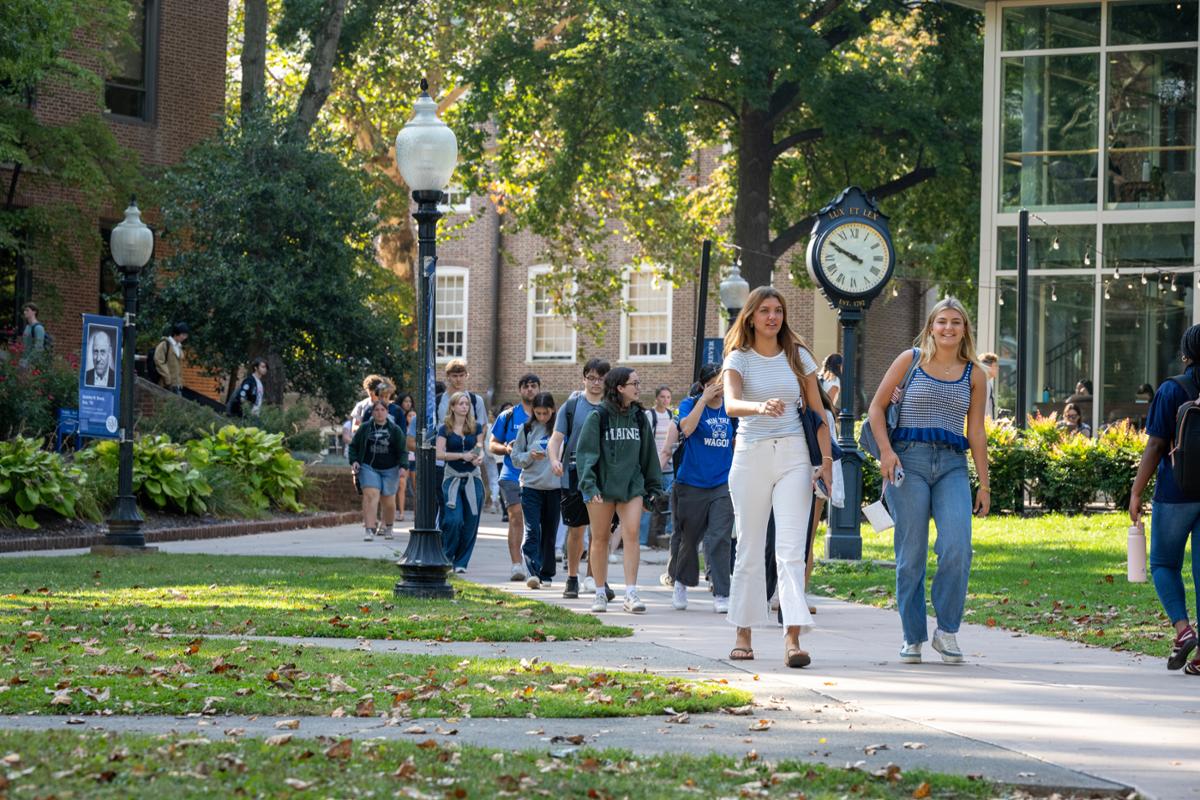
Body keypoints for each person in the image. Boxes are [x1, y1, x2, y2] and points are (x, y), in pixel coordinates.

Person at [868, 297, 990, 666]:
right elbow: (876, 408)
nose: (949, 328)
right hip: (909, 460)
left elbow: (977, 432)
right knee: (912, 556)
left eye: (956, 322)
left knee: (957, 547)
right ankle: (912, 636)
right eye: (942, 322)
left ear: (965, 329)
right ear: (931, 327)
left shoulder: (975, 374)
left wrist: (984, 483)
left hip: (952, 463)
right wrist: (886, 453)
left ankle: (947, 631)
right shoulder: (911, 361)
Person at [723, 287, 832, 668]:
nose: (773, 317)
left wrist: (827, 461)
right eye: (765, 311)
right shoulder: (739, 358)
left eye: (778, 311)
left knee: (790, 551)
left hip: (794, 456)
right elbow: (731, 403)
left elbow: (818, 413)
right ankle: (743, 631)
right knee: (750, 547)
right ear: (750, 316)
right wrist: (759, 406)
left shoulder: (797, 356)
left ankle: (792, 639)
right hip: (750, 455)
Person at [1128, 324, 1200, 673]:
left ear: (1185, 354)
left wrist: (1136, 491)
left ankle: (1184, 630)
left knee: (1163, 564)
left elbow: (1156, 444)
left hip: (1175, 493)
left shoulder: (1173, 389)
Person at [574, 367, 663, 614]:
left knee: (631, 533)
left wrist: (653, 488)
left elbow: (649, 456)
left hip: (631, 484)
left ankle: (631, 593)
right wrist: (589, 485)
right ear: (620, 388)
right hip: (601, 486)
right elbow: (585, 455)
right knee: (600, 538)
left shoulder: (639, 418)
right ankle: (600, 593)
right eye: (634, 383)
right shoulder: (598, 416)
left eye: (638, 382)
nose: (638, 387)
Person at [667, 363, 736, 613]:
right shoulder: (689, 404)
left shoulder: (731, 407)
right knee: (688, 538)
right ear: (705, 384)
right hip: (692, 482)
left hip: (722, 482)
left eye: (723, 382)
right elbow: (686, 428)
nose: (720, 387)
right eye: (715, 383)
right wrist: (703, 401)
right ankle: (680, 582)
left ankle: (721, 592)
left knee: (719, 537)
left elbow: (737, 439)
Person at [549, 359, 610, 600]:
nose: (596, 383)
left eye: (601, 379)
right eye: (592, 378)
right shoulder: (572, 405)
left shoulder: (611, 406)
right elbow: (556, 438)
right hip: (574, 472)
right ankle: (572, 577)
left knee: (600, 531)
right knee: (576, 530)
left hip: (603, 473)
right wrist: (554, 459)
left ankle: (596, 579)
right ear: (584, 378)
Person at [490, 374, 542, 581]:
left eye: (533, 386)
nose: (530, 390)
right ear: (520, 390)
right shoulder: (508, 416)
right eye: (526, 386)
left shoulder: (546, 414)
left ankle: (534, 563)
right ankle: (516, 565)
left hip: (537, 476)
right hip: (511, 473)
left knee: (536, 522)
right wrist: (505, 449)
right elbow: (492, 444)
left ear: (539, 389)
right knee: (516, 516)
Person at [512, 392, 560, 589]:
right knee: (532, 530)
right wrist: (530, 456)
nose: (542, 417)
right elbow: (516, 458)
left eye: (545, 413)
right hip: (531, 486)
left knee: (550, 532)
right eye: (538, 413)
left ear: (553, 410)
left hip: (554, 487)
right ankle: (533, 572)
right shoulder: (526, 429)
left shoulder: (559, 429)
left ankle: (547, 573)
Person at [436, 360, 491, 516]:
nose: (458, 379)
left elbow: (482, 428)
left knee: (469, 510)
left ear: (467, 376)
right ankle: (445, 539)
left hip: (471, 463)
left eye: (462, 375)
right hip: (444, 463)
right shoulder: (439, 400)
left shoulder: (475, 400)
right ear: (448, 377)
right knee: (446, 508)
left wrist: (477, 453)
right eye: (454, 376)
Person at [437, 391, 485, 573]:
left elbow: (480, 447)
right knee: (453, 520)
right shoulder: (445, 429)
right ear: (452, 407)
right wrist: (461, 455)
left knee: (471, 521)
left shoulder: (476, 427)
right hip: (452, 478)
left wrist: (478, 457)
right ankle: (447, 557)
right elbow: (439, 453)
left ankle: (461, 563)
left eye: (467, 404)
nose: (464, 406)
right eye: (461, 404)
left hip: (473, 478)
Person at [348, 400, 406, 542]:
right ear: (373, 412)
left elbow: (402, 450)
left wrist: (403, 466)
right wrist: (354, 461)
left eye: (382, 410)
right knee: (370, 496)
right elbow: (353, 446)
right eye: (377, 410)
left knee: (388, 501)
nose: (379, 413)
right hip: (369, 467)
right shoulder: (365, 428)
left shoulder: (394, 429)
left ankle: (388, 527)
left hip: (390, 468)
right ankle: (369, 529)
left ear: (387, 412)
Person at [639, 386, 677, 549]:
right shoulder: (650, 415)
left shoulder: (671, 416)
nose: (665, 400)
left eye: (668, 397)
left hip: (669, 466)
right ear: (656, 398)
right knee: (647, 502)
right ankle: (641, 541)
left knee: (672, 500)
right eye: (662, 397)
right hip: (654, 467)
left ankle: (668, 535)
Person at [392, 393, 415, 520]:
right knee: (401, 485)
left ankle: (418, 514)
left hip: (415, 459)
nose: (408, 404)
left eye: (410, 402)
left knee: (417, 486)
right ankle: (400, 512)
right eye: (405, 401)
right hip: (404, 458)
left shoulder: (415, 423)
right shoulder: (400, 422)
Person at [153, 323, 189, 394]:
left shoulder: (179, 347)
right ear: (176, 334)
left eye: (186, 335)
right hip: (166, 384)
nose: (184, 337)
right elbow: (159, 360)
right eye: (183, 335)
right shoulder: (165, 344)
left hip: (177, 384)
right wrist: (167, 378)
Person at [492, 402, 513, 519]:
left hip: (516, 459)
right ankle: (505, 511)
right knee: (503, 485)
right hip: (501, 459)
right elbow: (491, 442)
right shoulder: (500, 423)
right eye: (506, 409)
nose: (509, 411)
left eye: (511, 409)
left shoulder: (517, 423)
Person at [979, 352, 1000, 421]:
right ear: (990, 366)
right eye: (996, 366)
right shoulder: (983, 384)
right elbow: (983, 410)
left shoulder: (986, 383)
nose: (998, 368)